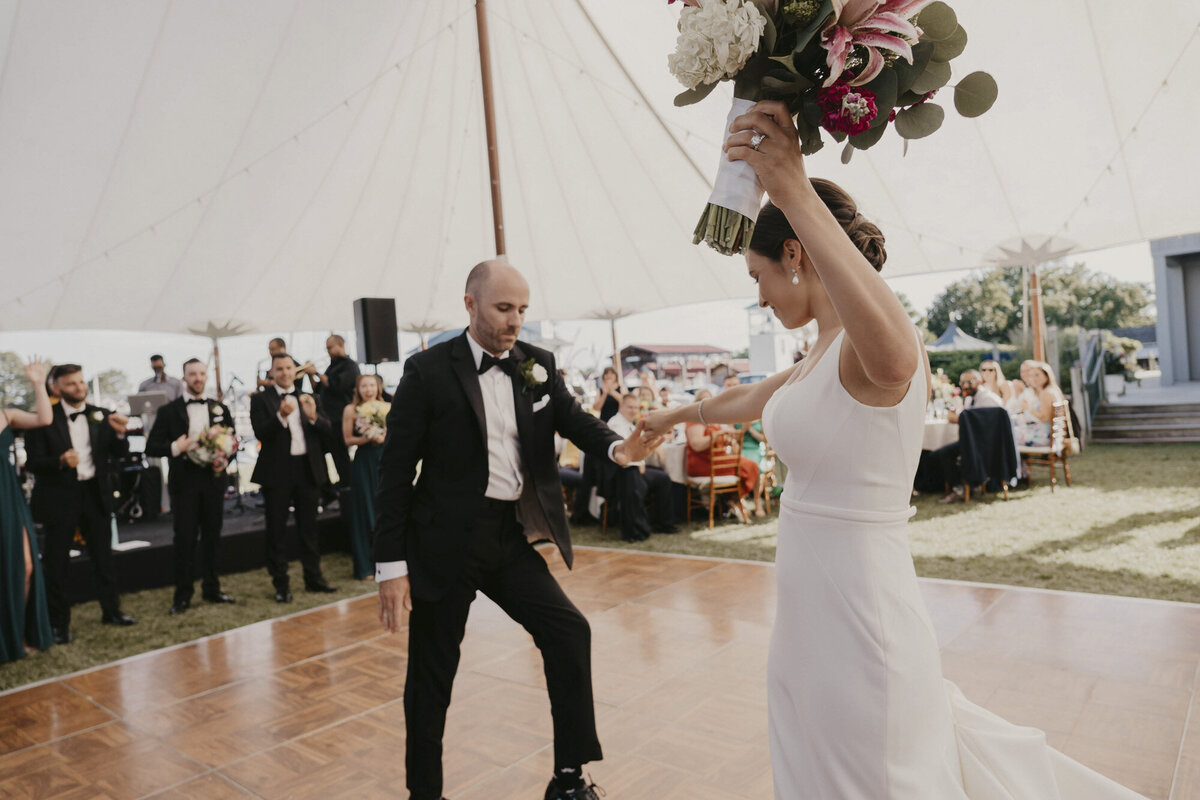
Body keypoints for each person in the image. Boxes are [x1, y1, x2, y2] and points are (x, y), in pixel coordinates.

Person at [642, 99, 1145, 798]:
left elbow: (899, 357)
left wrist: (788, 183)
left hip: (859, 618)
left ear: (794, 254)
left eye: (757, 277)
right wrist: (667, 418)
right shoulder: (821, 351)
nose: (759, 299)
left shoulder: (873, 346)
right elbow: (748, 399)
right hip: (807, 618)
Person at [374, 260, 659, 800]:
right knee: (431, 682)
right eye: (504, 308)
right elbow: (394, 474)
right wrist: (391, 567)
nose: (515, 321)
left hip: (507, 536)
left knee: (569, 632)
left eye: (523, 310)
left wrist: (621, 449)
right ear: (470, 304)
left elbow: (576, 421)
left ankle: (569, 779)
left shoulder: (537, 365)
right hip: (443, 545)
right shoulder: (427, 371)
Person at [24, 364, 136, 643]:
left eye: (81, 382)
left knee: (103, 558)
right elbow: (33, 463)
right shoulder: (43, 419)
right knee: (57, 562)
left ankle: (112, 612)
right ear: (57, 388)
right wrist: (59, 461)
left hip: (94, 494)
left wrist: (121, 434)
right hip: (60, 497)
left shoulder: (101, 415)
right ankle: (59, 624)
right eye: (71, 384)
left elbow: (119, 454)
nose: (79, 387)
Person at [145, 358, 237, 614]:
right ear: (184, 378)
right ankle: (183, 595)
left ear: (206, 376)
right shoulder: (169, 411)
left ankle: (212, 589)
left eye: (201, 373)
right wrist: (177, 447)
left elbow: (232, 441)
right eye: (192, 374)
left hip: (213, 481)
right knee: (184, 539)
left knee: (213, 537)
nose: (198, 378)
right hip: (184, 483)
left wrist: (223, 457)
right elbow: (151, 446)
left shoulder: (220, 408)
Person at [249, 353, 337, 602]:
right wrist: (281, 417)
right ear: (272, 372)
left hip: (307, 469)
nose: (285, 373)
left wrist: (312, 416)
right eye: (280, 369)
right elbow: (261, 434)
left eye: (289, 368)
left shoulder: (310, 397)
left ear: (295, 371)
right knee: (276, 530)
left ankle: (314, 579)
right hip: (277, 472)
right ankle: (281, 585)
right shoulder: (261, 400)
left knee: (309, 529)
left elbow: (327, 431)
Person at [1, 357, 55, 663]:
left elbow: (44, 419)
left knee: (25, 565)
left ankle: (17, 636)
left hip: (8, 497)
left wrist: (37, 382)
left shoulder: (6, 415)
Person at [607, 393, 676, 541]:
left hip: (636, 469)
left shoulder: (631, 425)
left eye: (636, 408)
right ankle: (636, 530)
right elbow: (622, 453)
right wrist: (640, 464)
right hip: (619, 473)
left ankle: (663, 522)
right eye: (630, 407)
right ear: (621, 407)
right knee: (631, 478)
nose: (633, 411)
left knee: (663, 479)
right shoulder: (616, 424)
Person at [684, 389, 762, 520]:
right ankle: (734, 500)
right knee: (750, 466)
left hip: (718, 460)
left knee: (752, 466)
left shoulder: (712, 420)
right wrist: (717, 436)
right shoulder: (695, 420)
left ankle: (734, 500)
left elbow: (720, 439)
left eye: (709, 400)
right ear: (696, 403)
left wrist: (726, 439)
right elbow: (697, 445)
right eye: (702, 400)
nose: (705, 403)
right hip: (704, 462)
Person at [935, 369, 1005, 504]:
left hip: (986, 445)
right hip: (972, 442)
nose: (966, 385)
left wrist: (957, 419)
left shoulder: (988, 399)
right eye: (963, 382)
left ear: (980, 382)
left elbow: (982, 425)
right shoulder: (969, 399)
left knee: (944, 454)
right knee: (936, 453)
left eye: (970, 382)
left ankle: (960, 488)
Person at [342, 373, 386, 581]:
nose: (368, 390)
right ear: (358, 390)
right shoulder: (351, 410)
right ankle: (365, 566)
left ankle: (388, 563)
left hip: (384, 460)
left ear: (378, 387)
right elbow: (348, 439)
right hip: (364, 462)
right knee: (364, 510)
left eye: (371, 385)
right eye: (364, 386)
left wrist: (383, 436)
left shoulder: (388, 407)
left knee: (386, 509)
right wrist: (367, 437)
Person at [305, 334, 360, 491]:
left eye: (330, 347)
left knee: (340, 455)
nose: (328, 351)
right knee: (329, 453)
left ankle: (348, 485)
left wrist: (316, 373)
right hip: (328, 418)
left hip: (341, 418)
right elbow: (318, 389)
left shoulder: (349, 366)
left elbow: (336, 385)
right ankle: (329, 489)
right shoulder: (331, 367)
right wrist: (311, 376)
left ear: (340, 344)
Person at [1015, 360, 1065, 447]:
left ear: (1046, 376)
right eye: (1031, 375)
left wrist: (1028, 408)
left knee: (1008, 435)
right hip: (1052, 435)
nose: (1033, 378)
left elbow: (1045, 418)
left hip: (1043, 437)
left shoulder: (1045, 393)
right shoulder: (1052, 390)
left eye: (1037, 375)